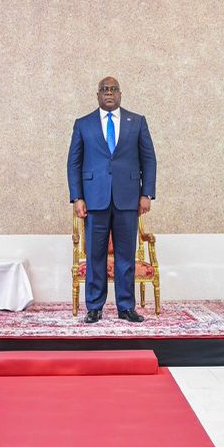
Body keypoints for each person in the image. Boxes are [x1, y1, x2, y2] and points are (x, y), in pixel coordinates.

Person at [67, 77, 157, 323]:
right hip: (94, 200)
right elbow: (74, 163)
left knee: (126, 255)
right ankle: (94, 307)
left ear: (120, 94)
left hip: (128, 199)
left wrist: (146, 193)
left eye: (113, 89)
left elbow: (149, 159)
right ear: (97, 95)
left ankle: (126, 307)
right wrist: (77, 197)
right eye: (104, 90)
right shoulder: (83, 124)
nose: (109, 93)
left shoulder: (137, 122)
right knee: (95, 255)